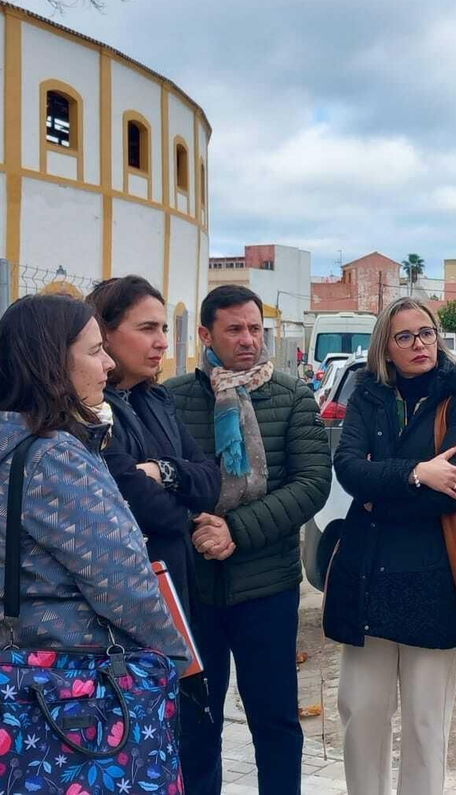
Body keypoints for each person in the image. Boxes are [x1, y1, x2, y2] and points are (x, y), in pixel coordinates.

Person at [0, 294, 189, 670]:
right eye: (95, 351)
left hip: (30, 668)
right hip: (90, 682)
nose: (108, 364)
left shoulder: (1, 443)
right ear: (51, 364)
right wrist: (175, 659)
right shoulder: (53, 459)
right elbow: (121, 580)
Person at [166, 285, 332, 795]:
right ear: (206, 334)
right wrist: (203, 528)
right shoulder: (172, 400)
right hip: (195, 591)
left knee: (276, 721)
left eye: (255, 328)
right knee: (195, 725)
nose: (248, 340)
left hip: (267, 588)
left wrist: (235, 530)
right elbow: (165, 480)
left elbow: (310, 486)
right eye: (234, 329)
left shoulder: (292, 396)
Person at [323, 297, 456, 795]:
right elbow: (349, 470)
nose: (419, 344)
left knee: (425, 723)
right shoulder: (369, 394)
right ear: (385, 347)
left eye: (426, 333)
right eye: (405, 336)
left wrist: (384, 491)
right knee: (362, 714)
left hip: (434, 580)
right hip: (367, 578)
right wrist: (418, 473)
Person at [85, 275, 221, 605]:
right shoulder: (91, 411)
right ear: (104, 335)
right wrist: (187, 510)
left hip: (176, 584)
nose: (161, 341)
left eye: (163, 329)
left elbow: (210, 482)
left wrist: (163, 471)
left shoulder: (157, 400)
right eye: (147, 329)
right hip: (127, 593)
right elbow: (152, 511)